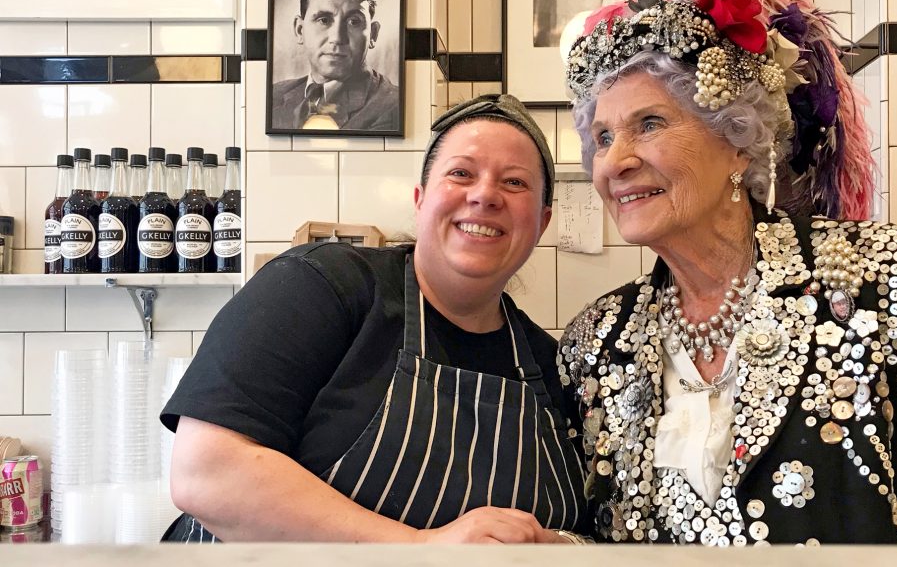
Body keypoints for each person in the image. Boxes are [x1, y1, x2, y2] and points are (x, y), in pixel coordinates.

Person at [559, 0, 897, 544]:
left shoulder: (884, 274)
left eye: (650, 124)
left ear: (738, 140)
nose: (613, 162)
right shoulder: (596, 340)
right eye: (604, 138)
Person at [161, 94, 588, 543]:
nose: (484, 195)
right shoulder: (322, 286)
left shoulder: (550, 366)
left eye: (515, 182)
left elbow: (585, 527)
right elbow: (205, 472)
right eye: (461, 173)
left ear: (541, 223)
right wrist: (419, 548)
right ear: (421, 201)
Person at [271, 0, 399, 132]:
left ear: (373, 34)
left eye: (354, 21)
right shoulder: (273, 96)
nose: (337, 38)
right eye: (324, 20)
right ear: (300, 30)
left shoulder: (392, 107)